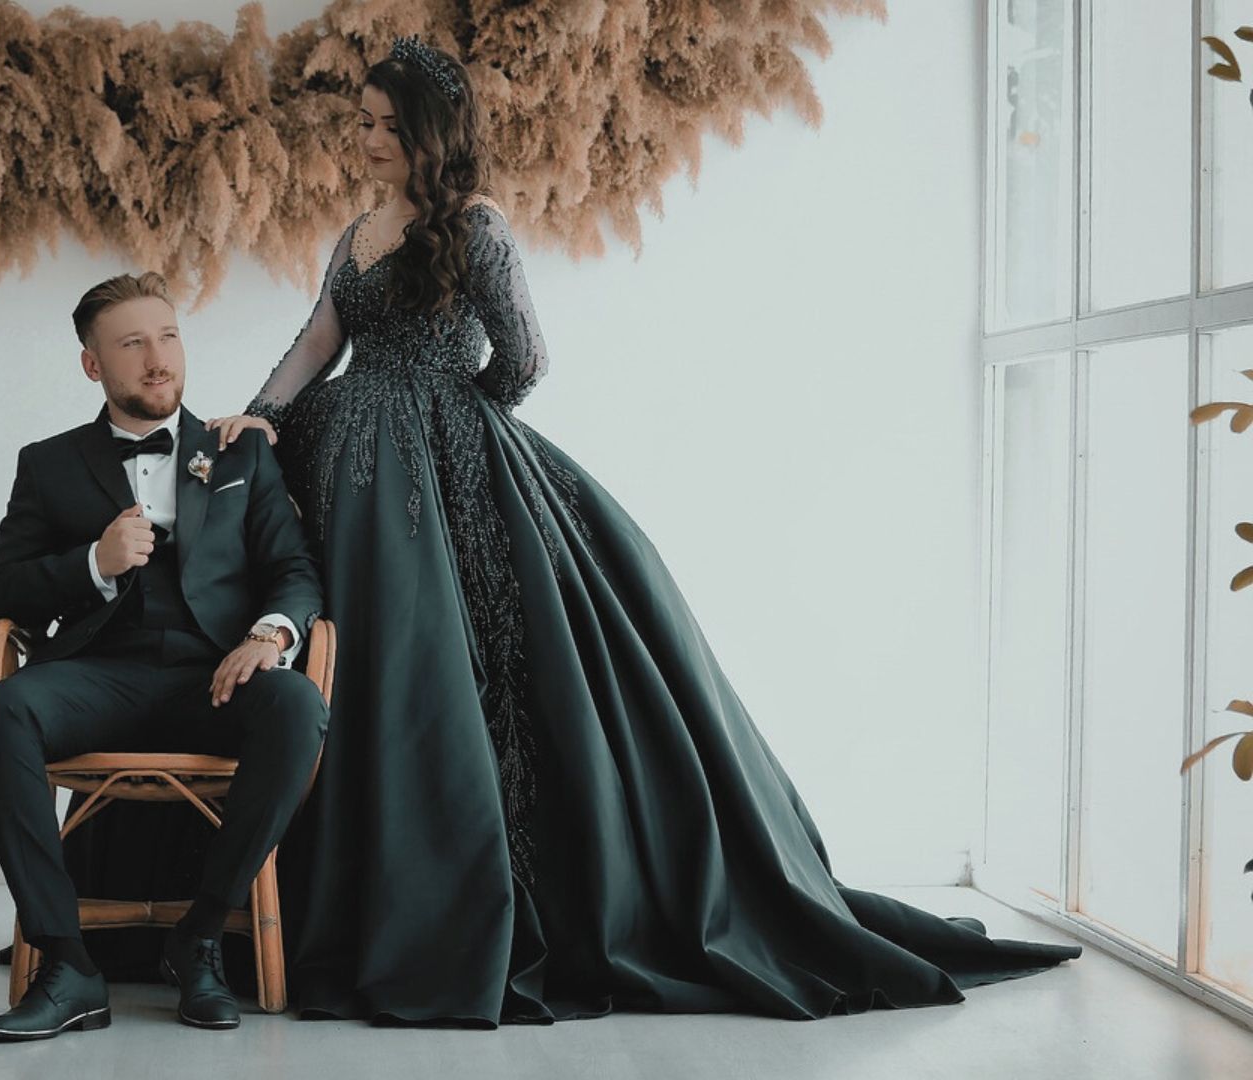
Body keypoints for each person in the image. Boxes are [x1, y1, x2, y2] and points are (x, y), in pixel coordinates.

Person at [202, 37, 1079, 1024]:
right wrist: (263, 415)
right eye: (360, 121)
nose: (363, 138)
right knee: (349, 658)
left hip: (444, 465)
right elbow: (320, 339)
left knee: (459, 677)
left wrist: (446, 420)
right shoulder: (358, 228)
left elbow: (524, 359)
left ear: (428, 134)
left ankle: (460, 912)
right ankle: (300, 906)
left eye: (382, 125)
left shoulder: (477, 226)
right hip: (347, 468)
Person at [0, 271, 328, 1040]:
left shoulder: (241, 454)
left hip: (216, 676)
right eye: (132, 345)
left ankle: (197, 938)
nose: (157, 359)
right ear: (94, 365)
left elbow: (294, 570)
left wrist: (269, 635)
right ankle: (68, 966)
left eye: (168, 337)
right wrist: (91, 562)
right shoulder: (50, 464)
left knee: (298, 705)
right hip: (100, 675)